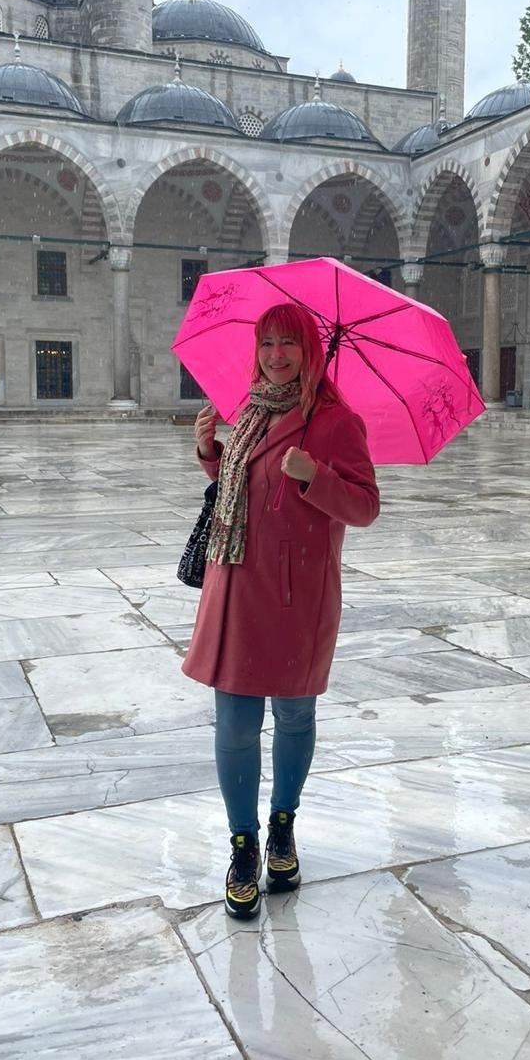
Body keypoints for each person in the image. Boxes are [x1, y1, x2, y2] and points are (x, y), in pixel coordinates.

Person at [184, 303, 379, 920]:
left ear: (310, 350)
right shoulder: (249, 411)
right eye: (267, 343)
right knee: (235, 723)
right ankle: (243, 846)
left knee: (294, 715)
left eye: (289, 343)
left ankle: (282, 829)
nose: (276, 355)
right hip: (237, 585)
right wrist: (212, 452)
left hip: (298, 595)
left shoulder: (336, 422)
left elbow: (365, 507)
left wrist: (316, 474)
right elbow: (244, 486)